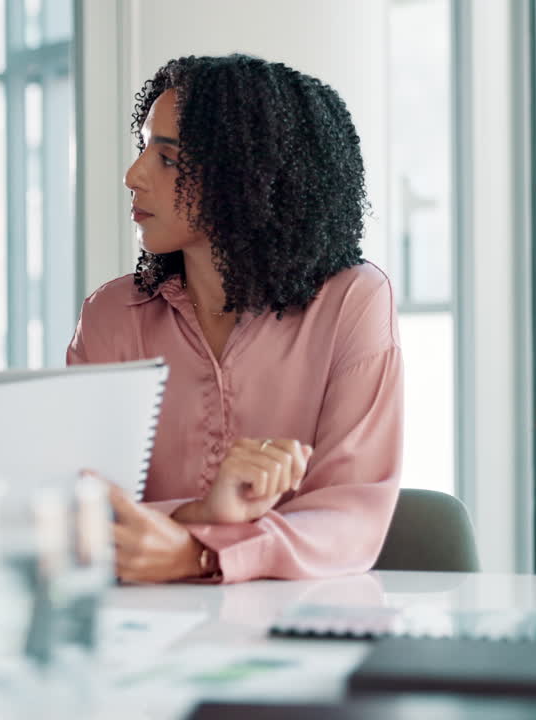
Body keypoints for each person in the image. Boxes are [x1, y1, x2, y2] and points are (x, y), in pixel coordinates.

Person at [68, 54, 403, 584]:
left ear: (247, 175)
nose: (134, 176)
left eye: (169, 159)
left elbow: (351, 516)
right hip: (134, 626)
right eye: (143, 149)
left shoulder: (352, 301)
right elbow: (82, 513)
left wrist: (201, 553)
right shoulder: (110, 315)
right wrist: (200, 517)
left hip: (295, 625)